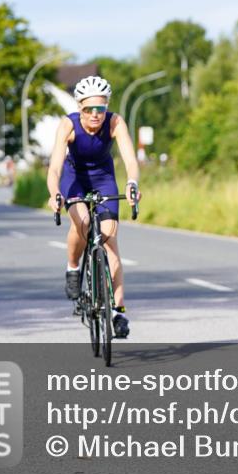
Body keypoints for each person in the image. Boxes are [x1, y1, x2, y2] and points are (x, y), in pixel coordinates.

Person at [46, 75, 141, 339]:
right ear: (80, 107)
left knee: (109, 238)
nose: (95, 114)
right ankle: (73, 267)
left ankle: (118, 311)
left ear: (106, 106)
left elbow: (131, 161)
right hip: (74, 178)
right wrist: (54, 193)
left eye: (100, 108)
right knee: (83, 221)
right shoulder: (68, 125)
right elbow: (54, 168)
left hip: (103, 178)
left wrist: (132, 183)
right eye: (89, 109)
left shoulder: (115, 122)